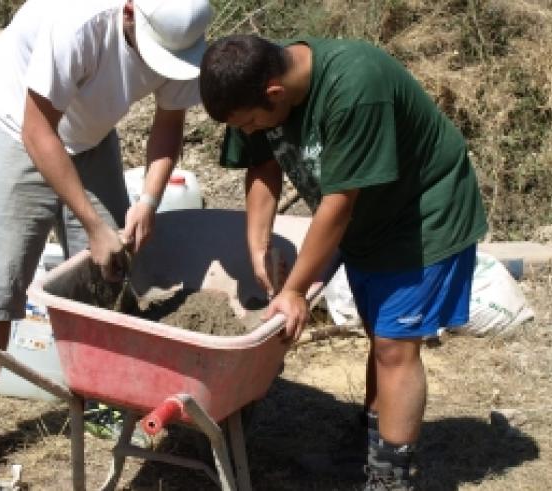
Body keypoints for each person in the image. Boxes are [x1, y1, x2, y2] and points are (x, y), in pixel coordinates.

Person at [199, 35, 488, 490]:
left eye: (253, 122)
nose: (251, 131)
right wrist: (257, 244)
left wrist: (294, 290)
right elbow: (263, 166)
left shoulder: (355, 87)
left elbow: (338, 204)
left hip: (420, 215)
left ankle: (390, 478)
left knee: (396, 347)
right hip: (369, 219)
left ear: (274, 93)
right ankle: (375, 446)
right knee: (379, 333)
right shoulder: (252, 88)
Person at [0, 0, 213, 479]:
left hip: (90, 136)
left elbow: (168, 125)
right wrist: (93, 224)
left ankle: (98, 399)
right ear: (130, 13)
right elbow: (37, 128)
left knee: (112, 268)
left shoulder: (182, 37)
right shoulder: (77, 23)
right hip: (18, 124)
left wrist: (149, 201)